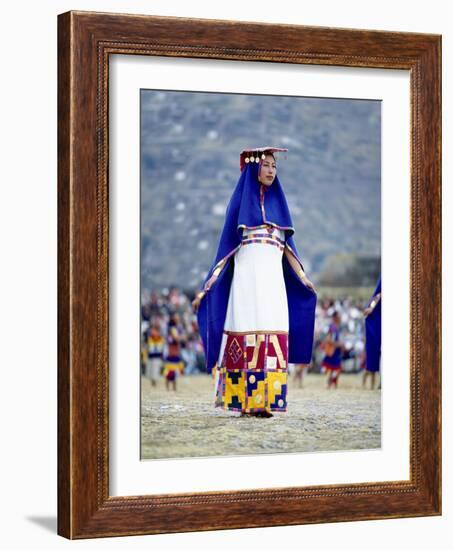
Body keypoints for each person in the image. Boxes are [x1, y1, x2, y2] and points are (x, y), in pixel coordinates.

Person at [193, 146, 317, 417]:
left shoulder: (280, 213)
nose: (272, 170)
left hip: (273, 285)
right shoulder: (239, 208)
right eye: (267, 165)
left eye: (274, 166)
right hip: (247, 284)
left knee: (271, 335)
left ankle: (266, 400)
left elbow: (289, 250)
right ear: (254, 168)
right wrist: (210, 282)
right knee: (247, 332)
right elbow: (225, 250)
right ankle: (244, 402)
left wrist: (304, 277)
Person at [363, 278, 381, 390]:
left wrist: (371, 307)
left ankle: (372, 385)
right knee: (370, 369)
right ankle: (368, 385)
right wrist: (371, 307)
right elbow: (378, 295)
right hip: (377, 315)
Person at [321, 311, 343, 388]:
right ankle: (331, 383)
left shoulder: (336, 327)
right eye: (338, 316)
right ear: (335, 318)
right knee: (335, 368)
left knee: (334, 368)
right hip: (333, 350)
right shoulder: (333, 327)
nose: (340, 317)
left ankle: (332, 383)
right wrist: (338, 344)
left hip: (335, 351)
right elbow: (328, 339)